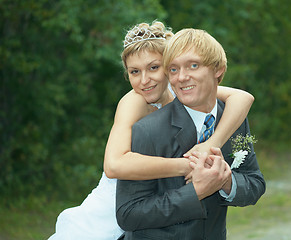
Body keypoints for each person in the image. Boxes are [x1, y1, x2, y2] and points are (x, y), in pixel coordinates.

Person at [49, 21, 254, 240]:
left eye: (154, 68)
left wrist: (209, 145)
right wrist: (189, 165)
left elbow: (243, 97)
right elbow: (113, 165)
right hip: (108, 216)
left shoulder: (182, 91)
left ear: (169, 67)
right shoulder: (134, 101)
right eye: (134, 72)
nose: (144, 80)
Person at [116, 28, 266, 240]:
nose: (182, 77)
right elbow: (128, 214)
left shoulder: (233, 120)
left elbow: (255, 183)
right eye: (174, 69)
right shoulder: (147, 130)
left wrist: (226, 181)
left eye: (193, 65)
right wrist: (195, 192)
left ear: (218, 70)